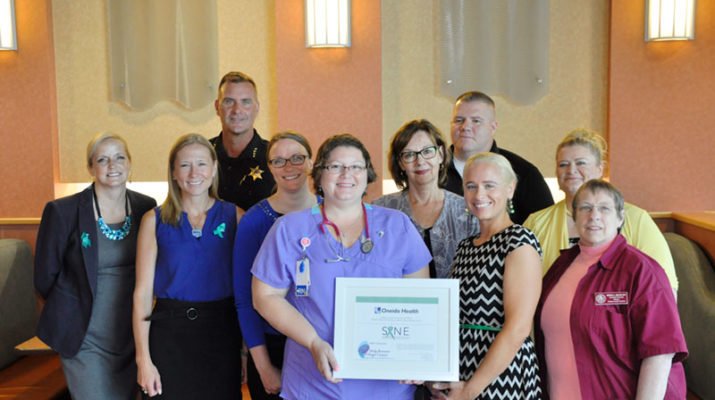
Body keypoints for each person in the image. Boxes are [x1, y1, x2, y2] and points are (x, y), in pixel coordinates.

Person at [252, 134, 431, 399]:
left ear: (367, 174)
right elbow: (264, 297)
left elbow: (421, 303)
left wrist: (418, 356)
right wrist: (313, 342)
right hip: (311, 381)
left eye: (356, 166)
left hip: (385, 385)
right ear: (319, 175)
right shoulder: (289, 229)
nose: (346, 174)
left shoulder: (397, 226)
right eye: (335, 166)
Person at [534, 179, 687, 399]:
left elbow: (660, 354)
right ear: (574, 217)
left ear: (620, 217)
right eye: (585, 207)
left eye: (604, 208)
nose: (594, 215)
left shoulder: (642, 271)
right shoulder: (559, 267)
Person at [34, 133, 156, 399]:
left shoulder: (145, 208)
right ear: (91, 167)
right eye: (102, 159)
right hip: (84, 338)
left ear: (130, 163)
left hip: (129, 335)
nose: (112, 165)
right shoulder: (63, 211)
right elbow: (44, 277)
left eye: (119, 157)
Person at [133, 133, 243, 399]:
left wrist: (247, 351)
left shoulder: (236, 217)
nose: (194, 172)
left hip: (221, 334)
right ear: (173, 172)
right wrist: (143, 361)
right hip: (169, 336)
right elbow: (142, 294)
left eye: (201, 164)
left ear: (214, 168)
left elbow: (247, 292)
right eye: (185, 165)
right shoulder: (154, 220)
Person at [434, 152, 542, 399]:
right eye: (471, 186)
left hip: (501, 376)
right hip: (462, 372)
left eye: (489, 185)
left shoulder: (519, 241)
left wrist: (471, 390)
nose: (479, 195)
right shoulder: (465, 246)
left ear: (510, 189)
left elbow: (518, 329)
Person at [523, 129, 678, 292]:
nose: (571, 170)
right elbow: (520, 284)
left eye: (580, 163)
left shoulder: (636, 219)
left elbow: (664, 287)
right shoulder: (536, 222)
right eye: (563, 164)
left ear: (600, 168)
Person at [234, 131, 318, 400]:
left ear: (311, 162)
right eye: (278, 161)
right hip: (273, 346)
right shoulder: (255, 221)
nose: (289, 167)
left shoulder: (333, 212)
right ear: (269, 167)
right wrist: (263, 365)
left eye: (296, 158)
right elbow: (245, 299)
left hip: (323, 340)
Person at [373, 119, 478, 279]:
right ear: (400, 163)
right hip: (397, 302)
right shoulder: (381, 210)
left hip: (458, 303)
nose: (420, 161)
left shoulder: (468, 211)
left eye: (428, 151)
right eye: (409, 155)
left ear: (441, 154)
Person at [444, 91, 553, 224]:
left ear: (493, 127)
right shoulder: (433, 171)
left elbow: (547, 229)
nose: (465, 127)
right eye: (459, 120)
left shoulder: (523, 173)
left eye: (476, 121)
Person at [210, 71, 275, 210]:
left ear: (256, 108)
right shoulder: (201, 154)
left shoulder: (275, 157)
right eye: (229, 101)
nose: (237, 110)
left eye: (245, 102)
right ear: (217, 107)